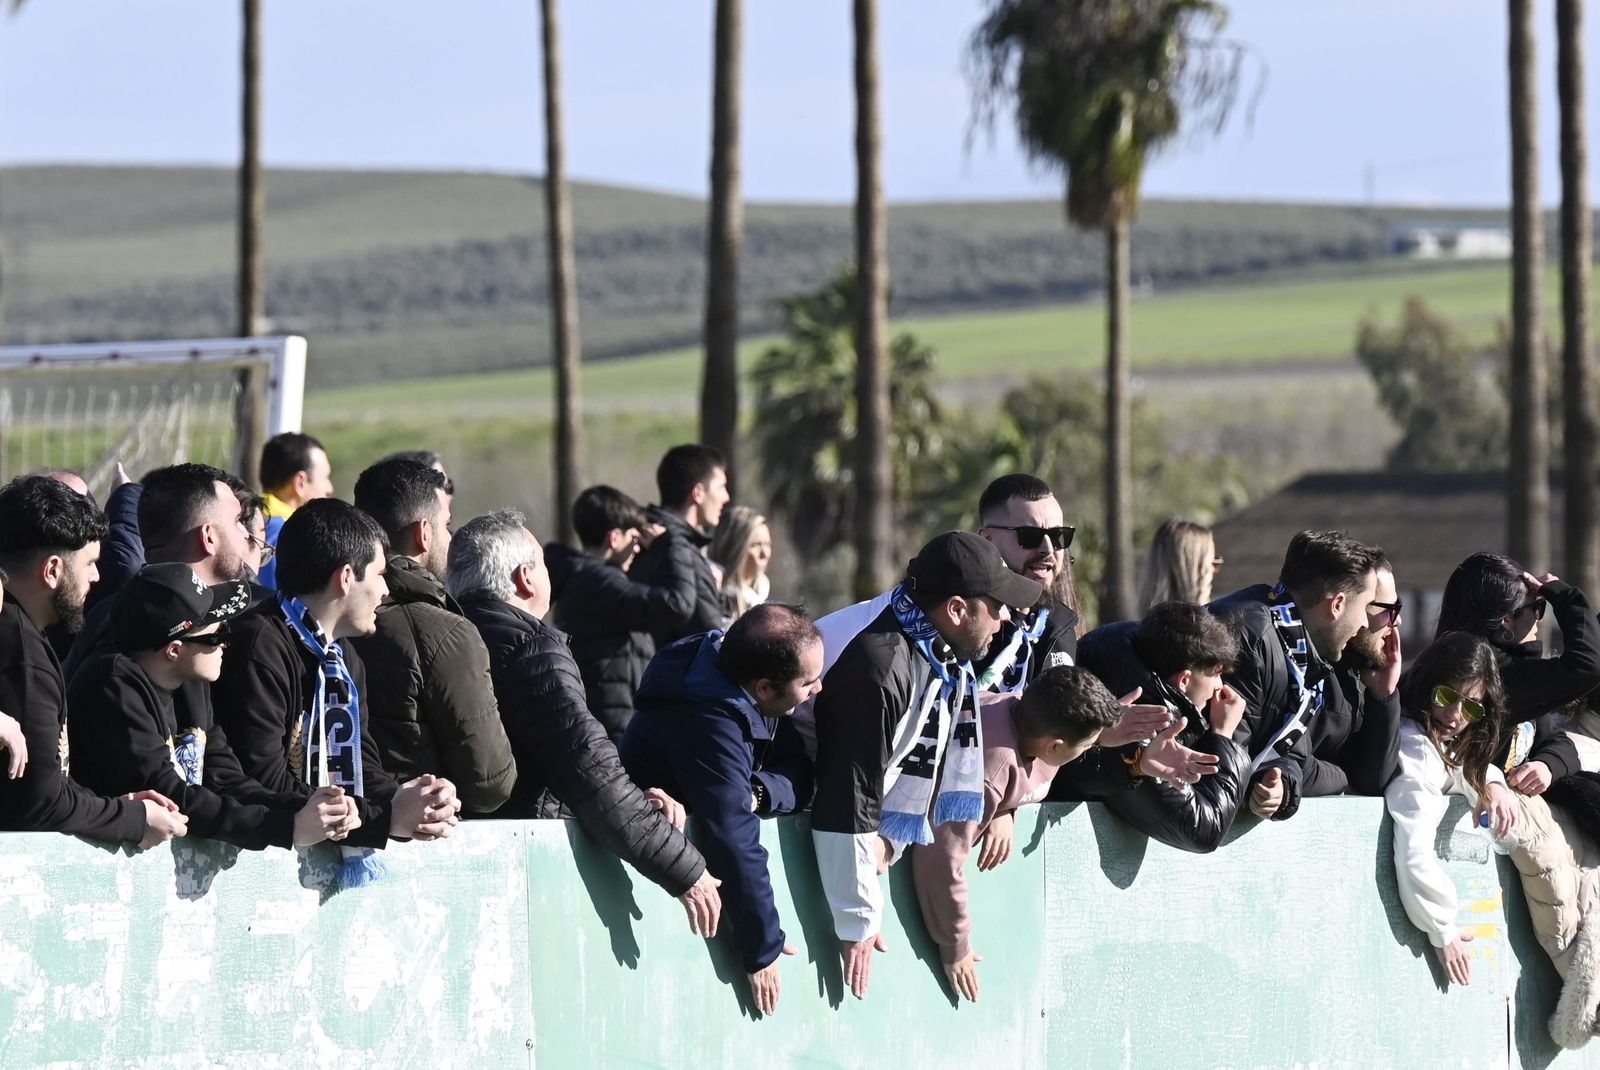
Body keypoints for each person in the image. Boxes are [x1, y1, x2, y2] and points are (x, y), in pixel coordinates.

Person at [448, 508, 724, 937]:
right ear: (525, 578)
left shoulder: (447, 636)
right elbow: (589, 768)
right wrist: (686, 868)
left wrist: (638, 800)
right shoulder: (530, 646)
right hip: (527, 885)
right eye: (542, 565)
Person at [810, 530, 1041, 1000]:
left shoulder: (931, 647)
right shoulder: (879, 667)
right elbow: (847, 793)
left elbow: (911, 760)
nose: (1005, 619)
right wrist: (857, 914)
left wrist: (886, 844)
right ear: (956, 610)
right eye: (995, 605)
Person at [212, 498, 461, 873]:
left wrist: (412, 798)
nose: (386, 592)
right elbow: (264, 778)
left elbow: (361, 766)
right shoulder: (259, 645)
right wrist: (384, 816)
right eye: (379, 575)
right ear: (345, 578)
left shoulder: (343, 658)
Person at [620, 604, 821, 1017]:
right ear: (765, 687)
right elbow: (731, 834)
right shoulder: (711, 717)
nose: (818, 690)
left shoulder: (743, 681)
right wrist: (762, 948)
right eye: (809, 682)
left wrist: (760, 792)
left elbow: (802, 775)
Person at [67, 564, 356, 850]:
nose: (226, 645)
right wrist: (284, 827)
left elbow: (224, 777)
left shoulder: (190, 680)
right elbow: (171, 797)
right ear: (174, 650)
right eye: (217, 637)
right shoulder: (111, 688)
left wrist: (312, 806)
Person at [911, 666, 1123, 1003]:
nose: (1086, 752)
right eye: (1085, 747)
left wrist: (1005, 811)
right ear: (1054, 746)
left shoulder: (1021, 711)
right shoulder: (983, 777)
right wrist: (955, 944)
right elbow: (939, 858)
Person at [0, 475, 187, 847]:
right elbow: (40, 803)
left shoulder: (25, 635)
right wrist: (132, 819)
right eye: (89, 563)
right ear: (52, 570)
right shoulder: (23, 658)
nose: (96, 577)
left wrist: (113, 805)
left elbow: (51, 784)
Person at [349, 458, 515, 813]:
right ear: (423, 532)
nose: (450, 538)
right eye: (446, 525)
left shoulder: (327, 612)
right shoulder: (446, 632)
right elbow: (489, 783)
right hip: (424, 833)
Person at [1209, 529, 1385, 823]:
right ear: (1337, 605)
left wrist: (1280, 786)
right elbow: (1225, 766)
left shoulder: (1298, 653)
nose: (1365, 623)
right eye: (1365, 608)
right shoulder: (1251, 640)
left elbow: (1290, 759)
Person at [1386, 631, 1524, 987]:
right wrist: (1442, 929)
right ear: (1429, 683)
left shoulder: (1430, 738)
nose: (1455, 714)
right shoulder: (1413, 747)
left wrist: (1490, 781)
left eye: (1473, 707)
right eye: (1447, 695)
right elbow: (1413, 850)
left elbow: (1455, 764)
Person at [1072, 600, 1252, 852]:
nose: (1220, 686)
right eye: (1215, 674)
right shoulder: (1146, 729)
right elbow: (1203, 830)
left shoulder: (1126, 649)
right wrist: (1223, 736)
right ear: (1184, 680)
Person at [546, 485, 696, 739]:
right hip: (615, 731)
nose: (637, 549)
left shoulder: (584, 579)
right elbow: (677, 604)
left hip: (606, 723)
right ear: (614, 538)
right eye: (634, 540)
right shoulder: (601, 583)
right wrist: (672, 544)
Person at [1437, 551, 1600, 731]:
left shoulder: (1455, 657)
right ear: (1506, 619)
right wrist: (1565, 597)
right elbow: (1588, 666)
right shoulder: (1492, 672)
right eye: (1536, 607)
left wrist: (1546, 760)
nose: (1539, 617)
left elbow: (1551, 739)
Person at [1303, 556, 1404, 798]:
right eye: (1389, 609)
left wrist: (1383, 696)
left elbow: (1373, 782)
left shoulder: (1357, 675)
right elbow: (1297, 768)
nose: (1397, 620)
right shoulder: (1309, 670)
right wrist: (1342, 777)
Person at [974, 474, 1082, 691]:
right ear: (987, 540)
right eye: (1030, 536)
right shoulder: (962, 622)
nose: (1048, 549)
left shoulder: (1061, 627)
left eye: (1058, 535)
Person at [629, 444, 731, 648]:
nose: (726, 497)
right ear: (698, 493)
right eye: (721, 487)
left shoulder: (633, 538)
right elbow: (711, 638)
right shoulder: (680, 551)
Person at [257, 431, 335, 589]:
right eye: (325, 477)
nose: (330, 488)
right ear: (300, 483)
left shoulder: (251, 518)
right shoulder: (285, 536)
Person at [1137, 517, 1221, 612]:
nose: (1214, 570)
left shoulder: (1133, 626)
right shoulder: (1217, 621)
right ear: (1193, 570)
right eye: (1213, 562)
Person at [708, 505, 773, 622]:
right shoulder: (712, 596)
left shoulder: (762, 598)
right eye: (755, 545)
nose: (765, 553)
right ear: (734, 548)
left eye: (768, 544)